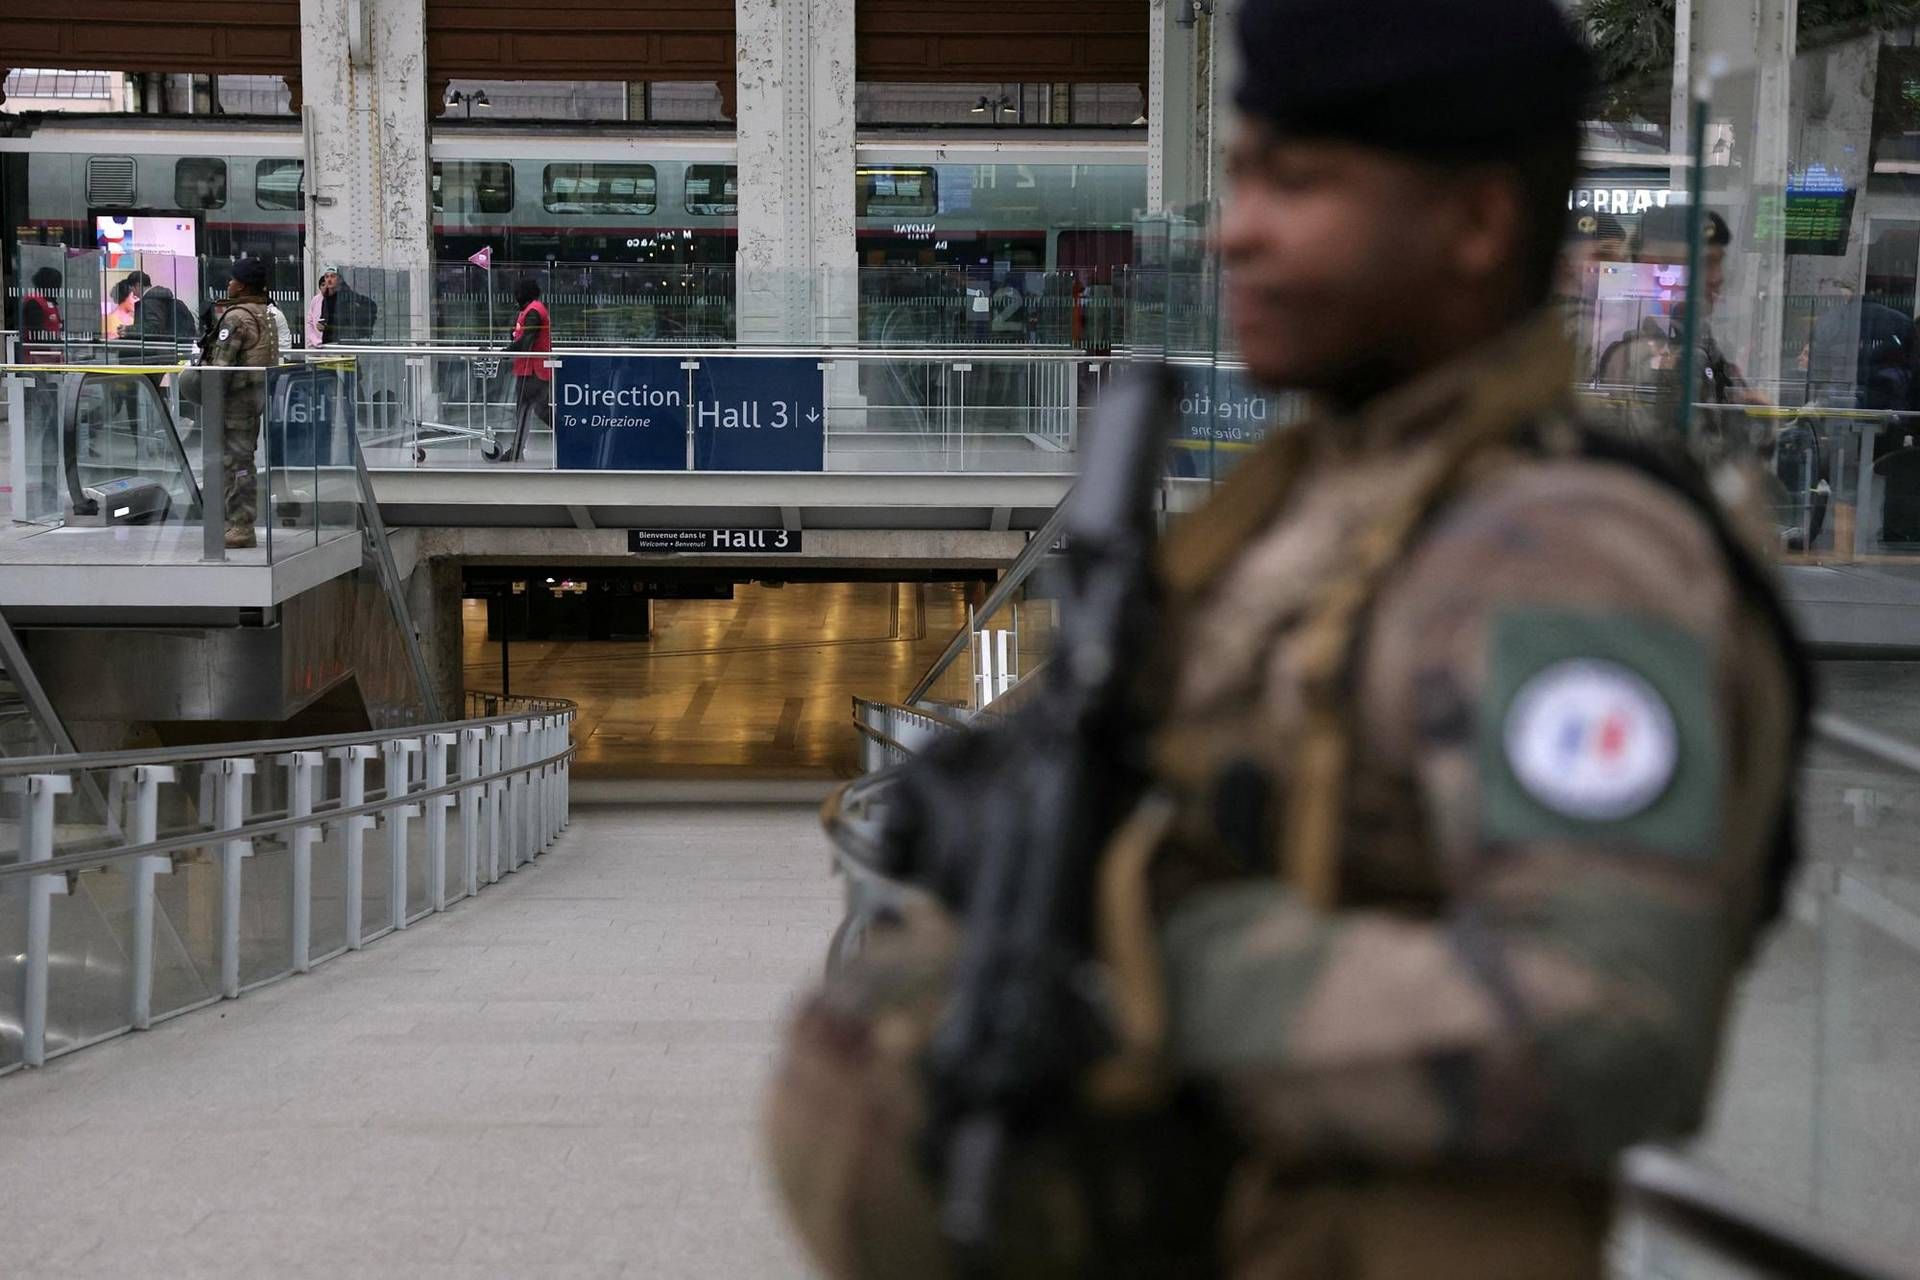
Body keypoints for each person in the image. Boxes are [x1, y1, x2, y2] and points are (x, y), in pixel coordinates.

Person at [764, 0, 1808, 1277]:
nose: (1236, 231)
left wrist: (1127, 960)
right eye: (1242, 177)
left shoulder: (1566, 558)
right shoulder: (1322, 504)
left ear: (1475, 224)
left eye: (1298, 184)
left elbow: (1606, 1021)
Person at [204, 257, 282, 549]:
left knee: (235, 464)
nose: (229, 283)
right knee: (243, 460)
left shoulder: (237, 317)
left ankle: (240, 525)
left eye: (233, 278)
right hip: (254, 398)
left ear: (243, 284)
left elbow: (221, 365)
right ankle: (238, 522)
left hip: (235, 402)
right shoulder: (266, 313)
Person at [484, 278, 552, 462]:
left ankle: (516, 451)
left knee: (530, 410)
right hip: (530, 369)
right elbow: (521, 337)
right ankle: (517, 450)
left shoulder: (533, 312)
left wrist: (504, 353)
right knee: (535, 410)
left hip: (533, 370)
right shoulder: (531, 310)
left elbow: (525, 341)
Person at [21, 267, 64, 343]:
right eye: (56, 285)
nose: (58, 289)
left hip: (51, 351)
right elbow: (36, 334)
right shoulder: (34, 303)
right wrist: (57, 341)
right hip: (37, 352)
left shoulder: (49, 301)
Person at [306, 266, 342, 348]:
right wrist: (314, 341)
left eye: (332, 276)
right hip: (320, 345)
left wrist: (326, 328)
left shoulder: (341, 298)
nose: (329, 280)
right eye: (327, 277)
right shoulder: (316, 300)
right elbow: (310, 322)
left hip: (337, 345)